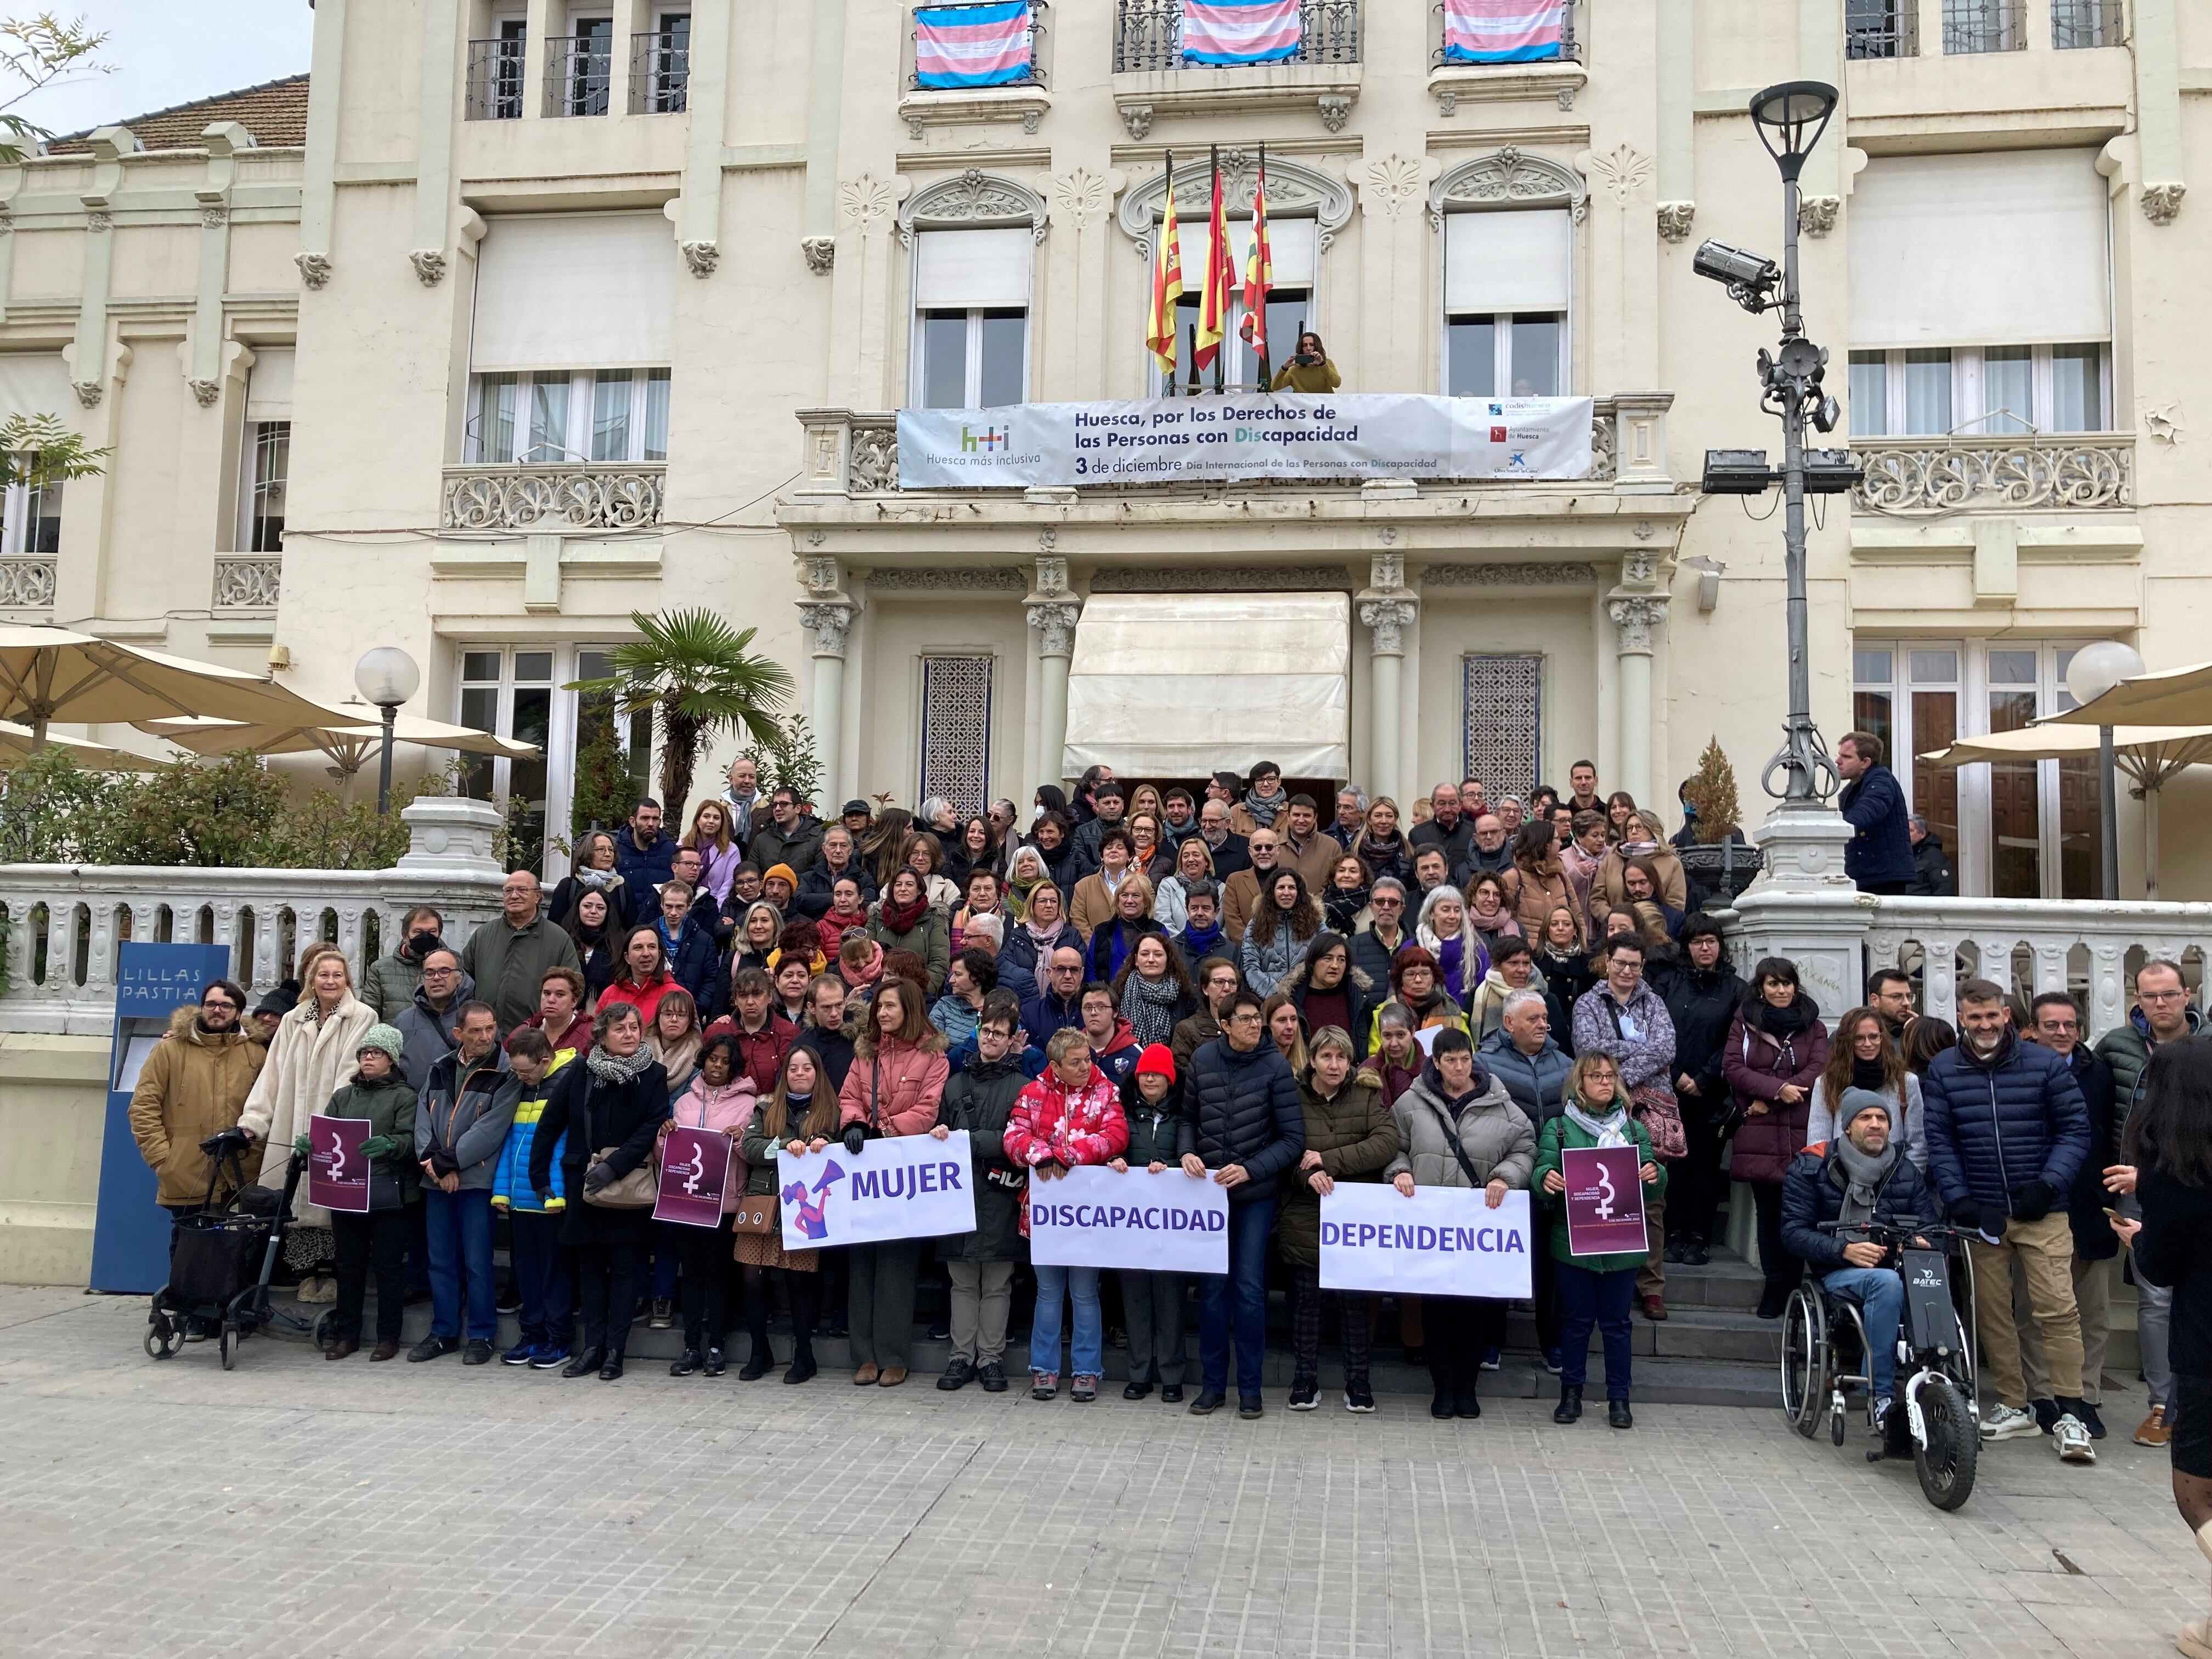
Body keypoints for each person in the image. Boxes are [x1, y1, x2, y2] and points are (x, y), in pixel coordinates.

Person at [1921, 977, 2095, 1455]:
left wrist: (2050, 1184)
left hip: (2043, 1209)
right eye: (1975, 1017)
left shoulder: (2044, 1063)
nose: (1985, 1025)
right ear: (1961, 1018)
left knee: (2058, 1310)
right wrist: (1959, 1198)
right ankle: (2015, 1405)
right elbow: (1941, 1140)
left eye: (1992, 1016)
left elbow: (2075, 1130)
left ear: (2006, 1015)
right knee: (1992, 1313)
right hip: (1982, 1214)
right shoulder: (1943, 1068)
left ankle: (2071, 1413)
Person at [2106, 1036, 2212, 1656]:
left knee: (2197, 1492)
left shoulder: (2175, 1175)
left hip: (2205, 1348)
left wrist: (2137, 1240)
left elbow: (2164, 1266)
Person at [1387, 1026, 1534, 1420]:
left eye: (1465, 1059)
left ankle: (1467, 1389)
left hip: (1477, 1227)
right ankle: (1442, 1389)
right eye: (1450, 1060)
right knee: (1436, 1310)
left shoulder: (1500, 1103)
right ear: (1435, 1062)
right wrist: (1400, 1171)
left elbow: (1525, 1147)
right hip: (1430, 1227)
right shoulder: (1411, 1103)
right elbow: (1392, 1145)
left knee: (1474, 1310)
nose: (1459, 1067)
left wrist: (1505, 1177)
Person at [1778, 1086, 1933, 1436]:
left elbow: (1930, 1228)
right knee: (1886, 1282)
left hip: (1898, 1268)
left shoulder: (1904, 1170)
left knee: (1931, 1278)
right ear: (1847, 1126)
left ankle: (1943, 1388)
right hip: (1836, 1273)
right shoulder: (1812, 1167)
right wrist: (1843, 1250)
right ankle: (1881, 1395)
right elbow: (1793, 1233)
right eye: (1865, 1118)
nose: (1876, 1124)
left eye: (1882, 1118)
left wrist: (1920, 1242)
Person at [529, 1000, 669, 1380]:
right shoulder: (581, 1070)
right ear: (602, 1035)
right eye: (619, 1029)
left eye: (634, 1028)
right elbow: (550, 1123)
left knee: (625, 1269)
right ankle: (592, 1348)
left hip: (628, 1186)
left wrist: (614, 1166)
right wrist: (538, 1176)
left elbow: (651, 1127)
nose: (629, 1034)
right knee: (590, 1269)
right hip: (585, 1186)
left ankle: (615, 1353)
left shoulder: (654, 1074)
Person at [1182, 988, 1304, 1419]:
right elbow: (1188, 1118)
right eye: (1246, 1019)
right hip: (1209, 1194)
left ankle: (1250, 1389)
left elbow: (1293, 1139)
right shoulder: (1202, 1060)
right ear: (1225, 1025)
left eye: (1258, 1018)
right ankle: (1213, 1386)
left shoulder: (1275, 1066)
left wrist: (1251, 1169)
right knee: (1213, 1291)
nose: (1256, 1025)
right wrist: (1186, 1151)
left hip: (1255, 1196)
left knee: (1250, 1290)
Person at [2098, 958, 2202, 1447]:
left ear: (2187, 995)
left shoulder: (2207, 1045)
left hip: (2197, 1183)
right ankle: (2164, 1405)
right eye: (2150, 995)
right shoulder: (2116, 1046)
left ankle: (2195, 1400)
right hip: (2135, 1188)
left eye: (2169, 994)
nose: (2161, 1003)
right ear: (2136, 999)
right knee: (2155, 1296)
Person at [238, 949, 379, 1301]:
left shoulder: (363, 1016)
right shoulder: (293, 1019)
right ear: (312, 980)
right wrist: (254, 1119)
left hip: (336, 1129)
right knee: (295, 1202)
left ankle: (334, 1275)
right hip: (292, 1121)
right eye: (323, 974)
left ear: (347, 980)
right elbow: (273, 1072)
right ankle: (307, 1273)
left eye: (337, 975)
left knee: (331, 1203)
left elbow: (352, 1072)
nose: (330, 981)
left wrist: (326, 1125)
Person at [1535, 1050, 1666, 1428]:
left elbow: (1654, 1186)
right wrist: (1545, 1178)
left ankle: (1619, 1400)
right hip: (1575, 1244)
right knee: (1575, 1322)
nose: (1606, 1082)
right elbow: (1541, 1172)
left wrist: (1654, 1174)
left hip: (1623, 1244)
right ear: (1580, 1083)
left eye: (1610, 1076)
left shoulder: (1634, 1129)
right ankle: (1570, 1395)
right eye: (1597, 1077)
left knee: (1617, 1325)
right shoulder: (1560, 1128)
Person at [1003, 1026, 1128, 1402]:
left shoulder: (1106, 1091)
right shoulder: (1033, 1093)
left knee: (1085, 1293)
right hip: (1046, 1214)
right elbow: (1013, 1137)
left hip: (1089, 1213)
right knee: (1048, 1292)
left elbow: (1116, 1135)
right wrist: (1041, 1155)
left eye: (1088, 1058)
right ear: (1056, 1066)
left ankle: (1087, 1370)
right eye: (1076, 1062)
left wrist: (1070, 1155)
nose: (1086, 1066)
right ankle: (1044, 1368)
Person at [1277, 1025, 1398, 1413]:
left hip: (1353, 1219)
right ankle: (1304, 1379)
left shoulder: (1366, 1095)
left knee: (1354, 1305)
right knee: (1305, 1304)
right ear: (1312, 1059)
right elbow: (1280, 1149)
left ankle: (1358, 1382)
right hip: (1304, 1215)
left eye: (1342, 1057)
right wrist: (1306, 1175)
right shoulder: (1292, 1097)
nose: (1334, 1065)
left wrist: (1329, 1161)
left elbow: (1386, 1143)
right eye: (1326, 1056)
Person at [837, 978, 950, 1387]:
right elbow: (849, 1096)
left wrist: (883, 1128)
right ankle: (864, 1355)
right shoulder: (865, 1053)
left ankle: (894, 1355)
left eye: (890, 1006)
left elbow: (928, 1109)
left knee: (897, 1266)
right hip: (865, 1167)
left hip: (904, 1168)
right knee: (862, 1264)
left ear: (910, 1009)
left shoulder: (933, 1055)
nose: (882, 1013)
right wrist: (853, 1123)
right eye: (879, 1006)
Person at [2015, 991, 2117, 1438]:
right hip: (2036, 1205)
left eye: (2070, 1025)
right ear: (2033, 1030)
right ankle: (2043, 1396)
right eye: (2052, 1025)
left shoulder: (2100, 1074)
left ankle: (2087, 1396)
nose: (2062, 1033)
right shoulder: (2016, 1071)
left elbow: (2111, 1135)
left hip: (2090, 1205)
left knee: (2092, 1312)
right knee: (2034, 1310)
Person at [1571, 934, 1679, 1320]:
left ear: (1643, 966)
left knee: (1650, 1199)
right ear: (1608, 962)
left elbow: (1667, 1048)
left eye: (1635, 964)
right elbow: (1587, 1050)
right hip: (1599, 1112)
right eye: (1621, 963)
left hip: (1649, 1113)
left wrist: (1617, 1072)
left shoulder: (1654, 1002)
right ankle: (1606, 1278)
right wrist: (1639, 1055)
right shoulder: (1588, 1003)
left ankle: (1652, 1287)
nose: (1627, 971)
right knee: (1600, 1195)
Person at [407, 1001, 518, 1365]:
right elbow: (422, 1120)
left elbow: (491, 1130)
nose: (486, 1036)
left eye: (490, 1028)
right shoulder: (440, 1067)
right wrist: (436, 1166)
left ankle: (482, 1334)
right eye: (476, 1031)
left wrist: (446, 1162)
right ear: (459, 1034)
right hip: (437, 1180)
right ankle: (444, 1332)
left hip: (477, 1181)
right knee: (440, 1260)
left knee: (477, 1261)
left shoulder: (506, 1072)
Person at [1721, 956, 1830, 1321]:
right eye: (1773, 984)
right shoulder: (1745, 1021)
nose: (1781, 990)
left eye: (1786, 983)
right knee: (1768, 1215)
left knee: (1799, 1215)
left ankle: (1794, 1288)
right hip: (1760, 1131)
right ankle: (1774, 1285)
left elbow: (1819, 1068)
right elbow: (1733, 1067)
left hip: (1803, 1128)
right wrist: (1776, 1089)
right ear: (1761, 988)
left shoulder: (1814, 1025)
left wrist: (1784, 1094)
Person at [934, 1000, 1030, 1393]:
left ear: (1012, 1040)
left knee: (996, 1283)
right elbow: (939, 1133)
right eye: (986, 1031)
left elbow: (1020, 1140)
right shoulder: (954, 1085)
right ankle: (960, 1357)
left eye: (999, 1033)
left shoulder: (1024, 1087)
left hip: (1000, 1196)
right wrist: (942, 1136)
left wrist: (968, 1142)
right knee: (961, 1282)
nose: (991, 1039)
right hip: (959, 1196)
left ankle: (990, 1359)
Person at [127, 978, 267, 1245]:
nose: (218, 1011)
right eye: (211, 1004)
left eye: (226, 1006)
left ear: (239, 1013)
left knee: (238, 1253)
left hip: (242, 1173)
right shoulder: (169, 1049)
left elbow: (268, 1107)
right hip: (187, 1171)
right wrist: (163, 1159)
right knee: (188, 1250)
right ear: (202, 1008)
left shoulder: (256, 1053)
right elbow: (143, 1106)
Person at [315, 1023, 419, 1363]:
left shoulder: (405, 1096)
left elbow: (412, 1139)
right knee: (349, 1267)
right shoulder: (343, 1096)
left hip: (389, 1194)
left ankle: (388, 1338)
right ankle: (347, 1336)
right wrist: (310, 1144)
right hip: (346, 1192)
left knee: (389, 1268)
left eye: (376, 1053)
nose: (368, 1058)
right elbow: (327, 1134)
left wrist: (392, 1144)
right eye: (364, 1053)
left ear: (392, 1059)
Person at [734, 1044, 833, 1382]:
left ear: (817, 1073)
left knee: (798, 1281)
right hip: (763, 1203)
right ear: (784, 1075)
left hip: (803, 1210)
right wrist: (780, 1146)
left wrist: (824, 1145)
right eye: (793, 1068)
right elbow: (749, 1147)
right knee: (752, 1278)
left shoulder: (830, 1110)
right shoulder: (766, 1107)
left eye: (807, 1068)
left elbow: (839, 1152)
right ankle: (759, 1351)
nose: (800, 1074)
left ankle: (804, 1356)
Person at [658, 1033, 755, 1378]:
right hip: (686, 1203)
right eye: (713, 1059)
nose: (718, 1066)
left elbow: (752, 1155)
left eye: (725, 1061)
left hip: (724, 1204)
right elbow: (666, 1157)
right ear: (704, 1060)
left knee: (719, 1276)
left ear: (734, 1066)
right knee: (692, 1275)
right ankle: (690, 1347)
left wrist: (740, 1140)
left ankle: (716, 1346)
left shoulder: (748, 1105)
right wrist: (664, 1136)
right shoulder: (684, 1102)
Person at [1108, 1044, 1192, 1402]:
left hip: (1172, 1224)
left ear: (1170, 1079)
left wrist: (1169, 1167)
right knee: (1136, 1300)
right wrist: (1115, 1160)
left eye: (1157, 1073)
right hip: (1132, 1224)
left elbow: (1192, 1158)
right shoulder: (1123, 1113)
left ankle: (1172, 1376)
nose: (1150, 1079)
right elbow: (1112, 1146)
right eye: (1144, 1073)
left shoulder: (1184, 1115)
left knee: (1171, 1301)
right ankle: (1139, 1374)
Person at [1657, 917, 1742, 1267]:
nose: (1704, 948)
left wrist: (1704, 1078)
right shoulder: (1669, 983)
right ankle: (1673, 1234)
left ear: (1720, 946)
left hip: (1712, 1093)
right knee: (1674, 1164)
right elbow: (1656, 1032)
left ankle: (1699, 1238)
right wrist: (1677, 1075)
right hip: (1670, 1090)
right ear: (1687, 947)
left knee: (1706, 1166)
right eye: (1697, 942)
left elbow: (1735, 1040)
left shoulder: (1736, 989)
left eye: (1710, 941)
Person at [489, 1028, 575, 1370]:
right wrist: (502, 1189)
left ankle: (559, 1339)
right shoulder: (522, 1086)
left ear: (545, 1060)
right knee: (526, 1272)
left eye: (526, 1071)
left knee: (555, 1274)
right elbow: (511, 1142)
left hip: (550, 1201)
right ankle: (532, 1335)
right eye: (516, 1071)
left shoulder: (567, 1083)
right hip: (520, 1199)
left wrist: (557, 1194)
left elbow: (563, 1148)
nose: (520, 1077)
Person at [1806, 1005, 1925, 1171]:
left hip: (1894, 1176)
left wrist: (1909, 1179)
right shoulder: (1828, 1083)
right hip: (1841, 1175)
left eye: (1874, 1037)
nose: (1868, 1044)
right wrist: (1829, 1179)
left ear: (1882, 1038)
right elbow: (1818, 1143)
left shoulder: (1906, 1082)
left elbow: (1917, 1143)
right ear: (1847, 1041)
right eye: (1859, 1038)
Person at [460, 870, 582, 1034]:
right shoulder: (483, 934)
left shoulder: (558, 938)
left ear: (538, 896)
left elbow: (575, 986)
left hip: (535, 1036)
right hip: (485, 1035)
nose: (514, 896)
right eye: (509, 891)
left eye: (522, 890)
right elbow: (463, 980)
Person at [1836, 730, 1915, 895]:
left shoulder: (1881, 781)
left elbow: (1869, 810)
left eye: (1846, 757)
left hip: (1883, 877)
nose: (1838, 761)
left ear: (1865, 762)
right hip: (1870, 873)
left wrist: (1836, 829)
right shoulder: (1854, 789)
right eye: (1839, 755)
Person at [1284, 932, 1380, 1062]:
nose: (1335, 965)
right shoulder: (1292, 1001)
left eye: (1341, 960)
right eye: (1328, 958)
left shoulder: (1359, 1000)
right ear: (1312, 962)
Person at [1239, 868, 1322, 998]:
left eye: (1292, 888)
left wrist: (1302, 995)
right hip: (1268, 999)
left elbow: (1324, 960)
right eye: (1281, 888)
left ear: (1299, 892)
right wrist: (1278, 995)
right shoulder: (1255, 925)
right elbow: (1250, 967)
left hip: (1308, 997)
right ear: (1272, 892)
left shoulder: (1316, 923)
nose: (1286, 893)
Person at [1113, 932, 1197, 1056]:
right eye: (1145, 954)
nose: (1151, 960)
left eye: (1158, 955)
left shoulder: (1185, 994)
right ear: (1136, 960)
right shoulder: (1118, 993)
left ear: (1168, 959)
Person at [363, 906, 444, 1021]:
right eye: (418, 932)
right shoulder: (380, 969)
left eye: (432, 931)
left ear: (439, 934)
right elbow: (369, 1016)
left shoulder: (453, 968)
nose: (426, 937)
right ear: (405, 935)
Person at [1087, 871, 1167, 985]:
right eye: (1125, 895)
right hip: (1107, 995)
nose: (1129, 901)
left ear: (1146, 902)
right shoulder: (1102, 931)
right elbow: (1091, 971)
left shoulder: (1158, 931)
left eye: (1136, 895)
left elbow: (1167, 969)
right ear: (1118, 901)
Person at [1414, 885, 1487, 1008]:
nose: (1453, 916)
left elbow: (1484, 994)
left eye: (1457, 910)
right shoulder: (1412, 947)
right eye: (1446, 910)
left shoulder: (1476, 951)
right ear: (1431, 913)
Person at [549, 832, 634, 933]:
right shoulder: (568, 887)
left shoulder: (622, 888)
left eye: (611, 850)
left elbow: (630, 930)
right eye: (601, 849)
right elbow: (554, 928)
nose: (608, 854)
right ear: (587, 854)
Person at [653, 879, 719, 1010]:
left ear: (689, 906)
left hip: (690, 1011)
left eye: (679, 907)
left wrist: (694, 1008)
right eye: (669, 906)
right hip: (653, 1010)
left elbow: (711, 980)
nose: (673, 913)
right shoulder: (647, 937)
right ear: (662, 905)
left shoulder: (704, 941)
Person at [1173, 956, 1242, 1082]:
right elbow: (1182, 1075)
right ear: (1205, 989)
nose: (1227, 988)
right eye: (1219, 982)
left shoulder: (1248, 1024)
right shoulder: (1187, 1029)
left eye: (1232, 983)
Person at [599, 924, 681, 1028]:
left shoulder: (679, 995)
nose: (646, 953)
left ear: (659, 954)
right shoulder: (608, 995)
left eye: (652, 947)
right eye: (638, 947)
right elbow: (597, 1035)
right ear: (627, 957)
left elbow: (692, 1036)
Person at [748, 788, 825, 882]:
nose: (777, 809)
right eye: (775, 805)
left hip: (804, 891)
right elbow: (752, 874)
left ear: (798, 809)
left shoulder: (818, 838)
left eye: (784, 804)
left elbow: (820, 876)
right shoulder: (762, 839)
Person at [1348, 875, 1412, 988]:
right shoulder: (1352, 946)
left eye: (1393, 902)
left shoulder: (1417, 945)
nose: (1386, 907)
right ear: (1371, 907)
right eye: (1380, 902)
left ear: (1402, 909)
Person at [561, 887, 620, 1004]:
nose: (593, 911)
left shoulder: (618, 945)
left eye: (600, 908)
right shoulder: (563, 940)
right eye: (587, 906)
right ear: (578, 908)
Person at [930, 947, 997, 1050]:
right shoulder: (945, 1006)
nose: (951, 980)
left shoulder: (999, 1010)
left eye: (958, 974)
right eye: (952, 974)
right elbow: (931, 1048)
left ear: (977, 977)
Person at [1080, 979, 1142, 1089]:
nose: (1093, 1012)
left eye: (1101, 1007)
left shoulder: (1136, 1055)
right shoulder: (1069, 1050)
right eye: (1088, 1007)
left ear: (1115, 1012)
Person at [1153, 836, 1217, 937]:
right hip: (1176, 945)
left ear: (1207, 861)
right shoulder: (1168, 886)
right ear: (1181, 862)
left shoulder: (1221, 889)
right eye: (1186, 856)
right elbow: (1163, 923)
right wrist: (1183, 943)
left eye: (1196, 855)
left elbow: (1225, 928)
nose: (1191, 860)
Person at [523, 967, 593, 1057]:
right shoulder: (527, 1028)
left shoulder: (590, 1036)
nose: (551, 1000)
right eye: (547, 993)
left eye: (560, 995)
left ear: (574, 1001)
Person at [1068, 778, 1129, 879]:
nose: (1112, 807)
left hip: (1126, 882)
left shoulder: (1130, 830)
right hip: (1092, 882)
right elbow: (1080, 862)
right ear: (1097, 806)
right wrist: (1106, 872)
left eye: (1116, 802)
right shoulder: (1083, 832)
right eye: (1107, 803)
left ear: (1122, 805)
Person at [647, 988, 703, 1097]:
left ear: (690, 1021)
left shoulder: (697, 1055)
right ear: (658, 1018)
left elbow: (691, 1100)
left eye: (681, 1015)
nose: (674, 1019)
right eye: (668, 1014)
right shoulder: (640, 1050)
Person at [614, 797, 678, 891]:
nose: (651, 824)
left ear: (660, 822)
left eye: (655, 819)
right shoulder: (616, 850)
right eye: (645, 818)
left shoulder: (672, 852)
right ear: (633, 822)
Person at [1409, 783, 1473, 874]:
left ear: (1460, 805)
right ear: (1432, 806)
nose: (1447, 809)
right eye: (1442, 804)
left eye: (1452, 803)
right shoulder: (1418, 834)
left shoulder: (1473, 832)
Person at [1170, 879, 1228, 975]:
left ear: (1216, 912)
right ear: (1187, 910)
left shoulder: (1231, 951)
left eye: (1206, 908)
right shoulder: (1172, 948)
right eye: (1194, 908)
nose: (1200, 913)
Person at [1195, 798, 1250, 881]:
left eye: (1213, 821)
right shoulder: (1190, 844)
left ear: (1227, 823)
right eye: (1204, 821)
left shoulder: (1245, 848)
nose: (1207, 826)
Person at [1269, 329, 1340, 393]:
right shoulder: (1295, 370)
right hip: (1303, 403)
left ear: (1317, 346)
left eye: (1312, 345)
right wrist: (1284, 368)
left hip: (1325, 403)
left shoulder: (1327, 363)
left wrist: (1322, 364)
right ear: (1301, 348)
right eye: (1305, 345)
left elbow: (1337, 384)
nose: (1308, 348)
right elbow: (1275, 387)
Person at [1906, 814, 1957, 896]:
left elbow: (1945, 889)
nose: (1905, 834)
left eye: (1910, 831)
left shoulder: (1935, 856)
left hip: (1923, 903)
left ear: (1922, 833)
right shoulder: (1905, 855)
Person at [1867, 967, 1918, 1046]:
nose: (1906, 1003)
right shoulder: (1861, 1034)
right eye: (1896, 997)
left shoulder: (1919, 1032)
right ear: (1875, 1000)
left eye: (1909, 996)